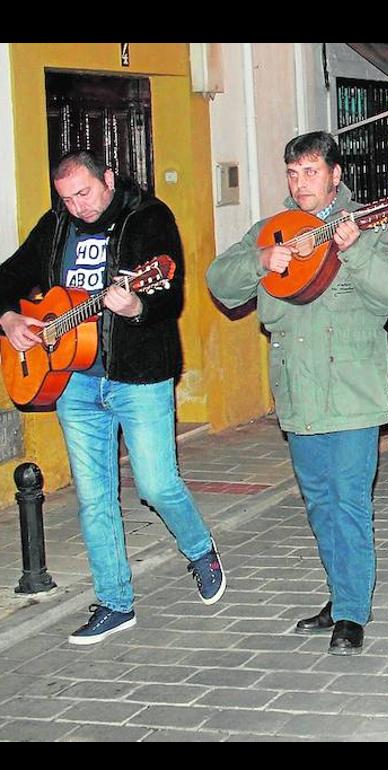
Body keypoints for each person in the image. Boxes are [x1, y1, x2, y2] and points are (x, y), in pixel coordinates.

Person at [0, 150, 224, 645]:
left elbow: (169, 295)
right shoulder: (57, 225)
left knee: (157, 485)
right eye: (66, 198)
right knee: (94, 497)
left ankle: (199, 549)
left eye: (83, 193)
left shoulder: (148, 218)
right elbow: (7, 277)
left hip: (138, 376)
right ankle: (115, 603)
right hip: (74, 381)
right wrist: (10, 319)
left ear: (107, 178)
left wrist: (137, 303)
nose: (77, 206)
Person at [206, 131, 388, 655]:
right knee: (320, 503)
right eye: (293, 173)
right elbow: (220, 281)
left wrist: (356, 250)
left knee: (349, 502)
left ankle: (351, 612)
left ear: (335, 175)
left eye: (312, 172)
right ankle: (341, 593)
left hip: (351, 392)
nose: (301, 183)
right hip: (297, 392)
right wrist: (261, 261)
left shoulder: (366, 226)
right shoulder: (271, 231)